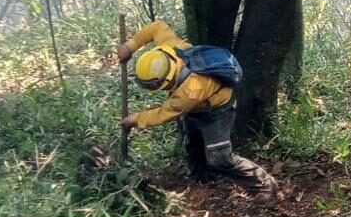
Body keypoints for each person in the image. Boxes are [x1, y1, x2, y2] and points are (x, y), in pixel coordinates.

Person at [117, 20, 278, 191]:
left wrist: (134, 120)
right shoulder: (172, 47)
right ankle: (199, 182)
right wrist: (130, 46)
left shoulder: (188, 92)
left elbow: (163, 113)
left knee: (220, 157)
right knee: (194, 147)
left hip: (217, 111)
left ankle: (264, 184)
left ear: (165, 81)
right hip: (195, 109)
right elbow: (157, 27)